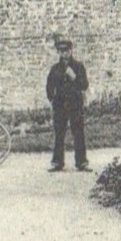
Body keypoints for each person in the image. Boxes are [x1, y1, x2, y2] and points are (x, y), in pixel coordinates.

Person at [45, 39, 90, 172]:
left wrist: (74, 77)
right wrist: (52, 99)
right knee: (59, 133)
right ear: (58, 52)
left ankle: (81, 162)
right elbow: (49, 86)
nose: (65, 54)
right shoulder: (55, 69)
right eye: (62, 51)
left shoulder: (78, 66)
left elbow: (84, 85)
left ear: (71, 51)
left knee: (78, 133)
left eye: (67, 51)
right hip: (60, 105)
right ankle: (58, 162)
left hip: (75, 104)